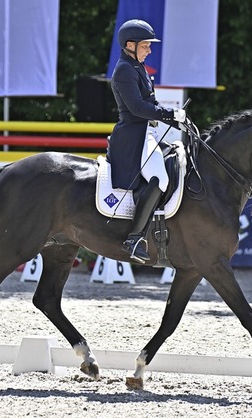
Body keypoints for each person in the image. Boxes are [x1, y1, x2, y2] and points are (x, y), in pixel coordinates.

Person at [107, 19, 186, 263]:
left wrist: (175, 119)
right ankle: (134, 238)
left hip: (145, 133)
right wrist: (169, 114)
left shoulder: (137, 67)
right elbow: (138, 108)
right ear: (130, 45)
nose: (149, 50)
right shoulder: (124, 70)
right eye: (146, 46)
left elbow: (150, 105)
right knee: (159, 178)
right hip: (133, 136)